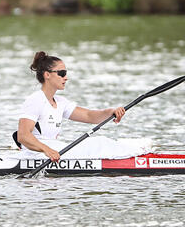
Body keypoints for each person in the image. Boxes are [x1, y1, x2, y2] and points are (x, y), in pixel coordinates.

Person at [16, 51, 144, 161]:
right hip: (37, 154)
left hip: (53, 150)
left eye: (65, 73)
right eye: (61, 73)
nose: (66, 78)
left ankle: (138, 152)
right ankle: (138, 156)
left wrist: (111, 111)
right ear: (47, 75)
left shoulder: (60, 102)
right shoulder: (35, 100)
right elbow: (23, 136)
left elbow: (89, 116)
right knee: (99, 143)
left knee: (100, 142)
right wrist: (47, 150)